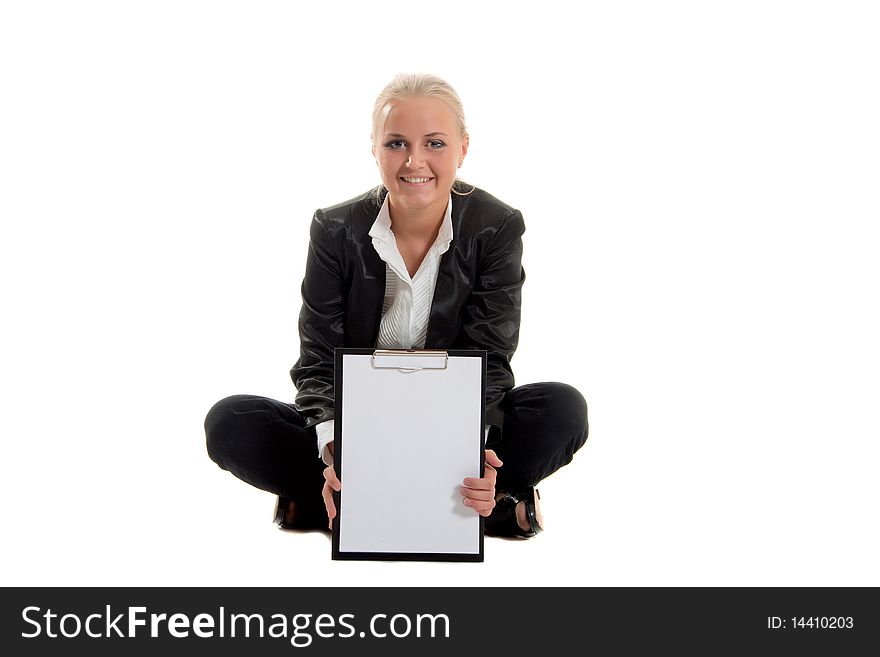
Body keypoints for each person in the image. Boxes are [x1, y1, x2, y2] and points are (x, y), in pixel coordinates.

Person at [205, 73, 588, 538]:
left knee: (562, 409)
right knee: (231, 422)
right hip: (360, 428)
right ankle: (341, 487)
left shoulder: (497, 226)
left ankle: (487, 493)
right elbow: (318, 361)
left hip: (452, 425)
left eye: (435, 143)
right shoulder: (335, 228)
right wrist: (334, 449)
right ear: (375, 149)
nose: (414, 161)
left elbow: (490, 358)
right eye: (396, 144)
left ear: (463, 149)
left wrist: (473, 449)